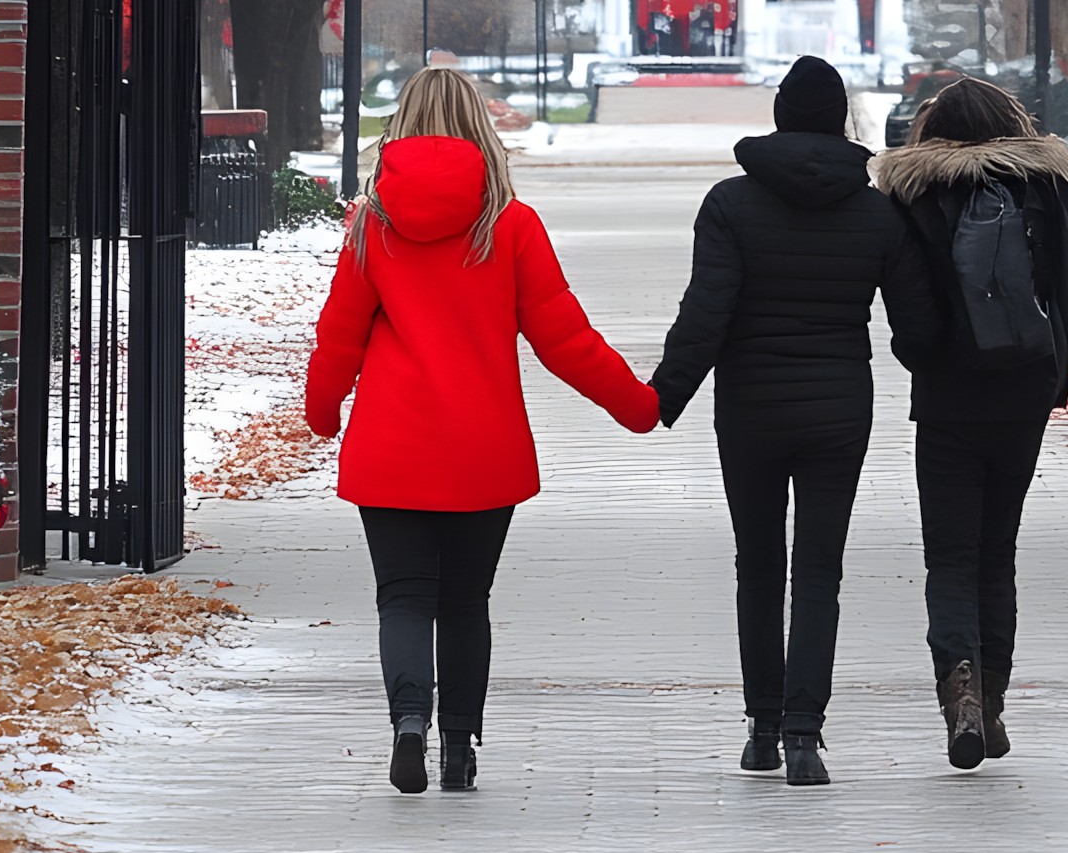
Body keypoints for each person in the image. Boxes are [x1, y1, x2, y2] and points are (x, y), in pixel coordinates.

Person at [304, 65, 658, 796]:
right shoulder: (510, 223)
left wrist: (323, 406)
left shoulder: (372, 224)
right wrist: (636, 404)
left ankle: (409, 723)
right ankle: (460, 746)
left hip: (392, 446)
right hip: (481, 448)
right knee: (465, 602)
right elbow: (564, 338)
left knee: (403, 596)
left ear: (400, 125)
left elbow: (339, 334)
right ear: (482, 126)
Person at [651, 54, 939, 787]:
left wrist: (663, 396)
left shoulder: (729, 204)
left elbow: (706, 312)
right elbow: (917, 329)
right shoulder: (878, 212)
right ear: (839, 119)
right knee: (819, 569)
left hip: (749, 406)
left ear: (779, 114)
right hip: (840, 406)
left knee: (758, 564)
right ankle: (807, 733)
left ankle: (762, 727)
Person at [873, 76, 1068, 770]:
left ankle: (957, 684)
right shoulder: (1048, 189)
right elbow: (1067, 280)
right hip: (1025, 388)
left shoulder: (912, 195)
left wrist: (925, 355)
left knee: (950, 554)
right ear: (1010, 122)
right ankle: (991, 700)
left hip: (948, 395)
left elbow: (908, 309)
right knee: (998, 549)